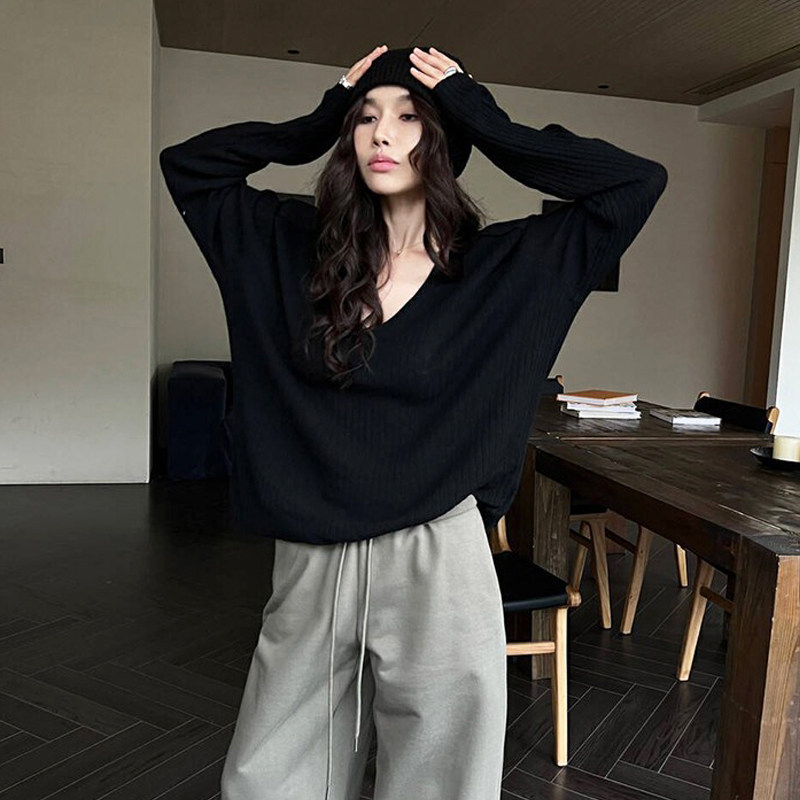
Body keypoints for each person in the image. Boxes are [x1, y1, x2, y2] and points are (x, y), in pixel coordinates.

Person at [159, 44, 668, 800]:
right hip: (313, 555)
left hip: (439, 555)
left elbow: (635, 182)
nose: (381, 133)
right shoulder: (288, 246)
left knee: (442, 781)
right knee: (272, 776)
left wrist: (483, 118)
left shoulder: (507, 267)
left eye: (409, 117)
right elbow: (190, 167)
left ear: (445, 137)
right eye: (366, 117)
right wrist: (319, 118)